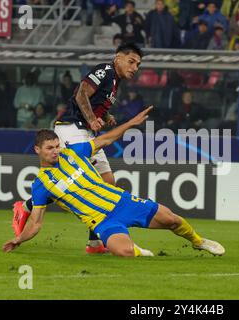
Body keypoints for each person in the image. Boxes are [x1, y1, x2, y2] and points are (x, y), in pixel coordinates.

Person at [2, 112, 225, 257]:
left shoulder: (74, 153)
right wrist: (18, 239)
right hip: (102, 221)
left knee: (172, 220)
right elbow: (37, 223)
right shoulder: (41, 185)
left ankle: (198, 241)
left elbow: (105, 140)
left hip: (122, 201)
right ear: (37, 150)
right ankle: (137, 250)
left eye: (56, 146)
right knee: (125, 252)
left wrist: (130, 123)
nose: (55, 151)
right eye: (50, 148)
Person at [12, 43, 147, 255]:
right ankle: (27, 206)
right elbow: (81, 94)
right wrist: (93, 119)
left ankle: (94, 243)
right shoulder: (105, 70)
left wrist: (104, 115)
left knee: (108, 182)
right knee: (79, 180)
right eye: (131, 62)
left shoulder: (114, 81)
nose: (134, 67)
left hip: (87, 131)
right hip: (72, 129)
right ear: (118, 58)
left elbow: (94, 101)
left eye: (138, 64)